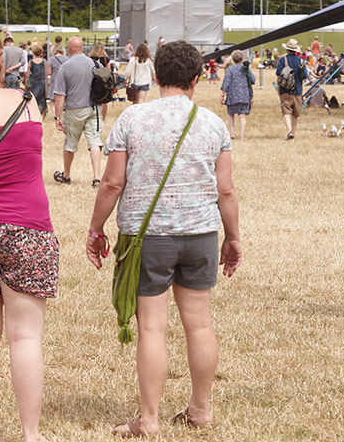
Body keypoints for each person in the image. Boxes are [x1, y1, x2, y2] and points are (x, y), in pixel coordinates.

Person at [86, 40, 240, 437]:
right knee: (200, 325)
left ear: (155, 77)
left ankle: (149, 419)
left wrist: (95, 228)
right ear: (197, 78)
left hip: (147, 237)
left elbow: (112, 181)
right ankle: (200, 410)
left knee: (152, 328)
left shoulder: (131, 119)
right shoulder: (214, 124)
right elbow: (226, 191)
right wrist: (233, 238)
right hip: (201, 233)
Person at [0, 33, 58, 442]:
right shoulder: (26, 102)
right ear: (0, 60)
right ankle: (31, 435)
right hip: (27, 226)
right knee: (26, 337)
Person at [52, 36, 104, 187]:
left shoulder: (65, 67)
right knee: (94, 141)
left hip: (74, 109)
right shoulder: (96, 63)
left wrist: (57, 116)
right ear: (82, 48)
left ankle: (66, 175)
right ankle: (96, 177)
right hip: (94, 108)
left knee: (70, 144)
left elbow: (60, 95)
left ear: (69, 49)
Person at [276, 39, 308, 140]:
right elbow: (305, 76)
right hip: (297, 90)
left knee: (286, 112)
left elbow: (278, 73)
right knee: (295, 114)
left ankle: (289, 131)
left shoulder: (283, 60)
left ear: (287, 50)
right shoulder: (301, 61)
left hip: (285, 89)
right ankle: (293, 132)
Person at [220, 50, 255, 141]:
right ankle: (242, 136)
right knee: (242, 116)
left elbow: (226, 83)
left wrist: (223, 94)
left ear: (232, 59)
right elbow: (253, 79)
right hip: (244, 95)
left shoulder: (230, 69)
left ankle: (232, 133)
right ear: (242, 58)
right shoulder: (245, 69)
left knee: (231, 114)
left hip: (232, 95)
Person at [89, 43, 112, 119]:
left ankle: (93, 115)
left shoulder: (90, 58)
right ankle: (103, 117)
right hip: (103, 81)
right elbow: (109, 70)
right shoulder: (105, 59)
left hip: (93, 80)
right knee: (104, 100)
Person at [47, 44, 69, 118]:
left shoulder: (51, 59)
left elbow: (49, 72)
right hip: (65, 81)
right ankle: (61, 114)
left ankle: (55, 114)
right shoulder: (67, 59)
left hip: (54, 81)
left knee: (53, 100)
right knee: (63, 99)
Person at [27, 43, 47, 120]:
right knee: (42, 99)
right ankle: (43, 117)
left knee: (34, 99)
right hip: (42, 82)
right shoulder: (44, 61)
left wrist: (26, 84)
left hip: (34, 82)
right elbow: (46, 72)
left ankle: (35, 114)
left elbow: (27, 75)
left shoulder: (31, 62)